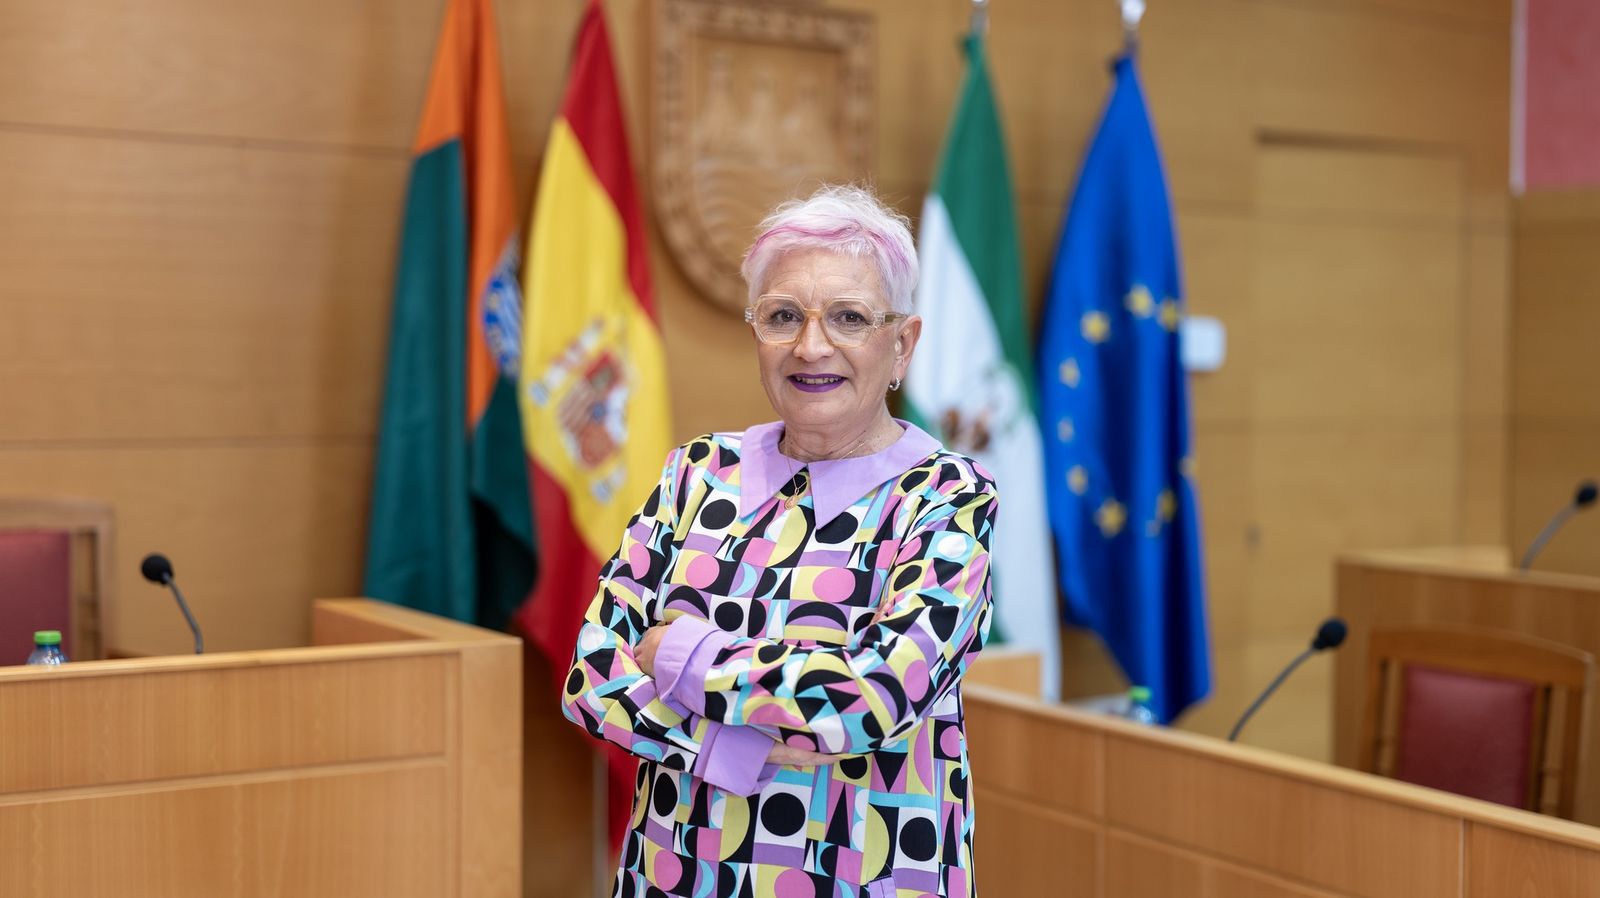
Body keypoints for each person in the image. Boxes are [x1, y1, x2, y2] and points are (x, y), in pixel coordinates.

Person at [562, 185, 997, 898]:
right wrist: (725, 744)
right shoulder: (697, 473)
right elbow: (591, 678)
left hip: (864, 876)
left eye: (849, 317)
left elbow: (872, 696)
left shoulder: (947, 497)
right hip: (676, 875)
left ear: (902, 345)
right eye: (783, 316)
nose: (810, 345)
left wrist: (681, 655)